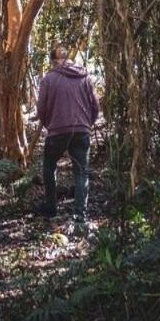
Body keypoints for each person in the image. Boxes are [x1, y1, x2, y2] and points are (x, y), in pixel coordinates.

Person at [34, 43, 100, 221]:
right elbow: (96, 106)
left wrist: (51, 124)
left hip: (57, 131)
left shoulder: (49, 79)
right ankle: (80, 215)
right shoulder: (84, 76)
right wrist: (87, 124)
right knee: (81, 172)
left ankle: (51, 207)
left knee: (49, 166)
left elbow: (41, 109)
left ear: (54, 61)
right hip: (82, 130)